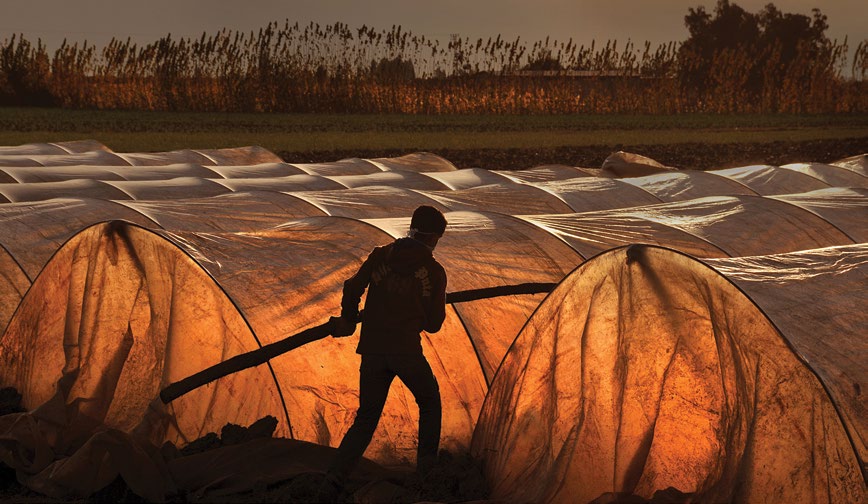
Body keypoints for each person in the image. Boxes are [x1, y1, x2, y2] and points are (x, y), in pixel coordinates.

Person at [327, 205, 448, 483]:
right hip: (406, 352)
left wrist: (348, 318)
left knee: (367, 417)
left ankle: (334, 477)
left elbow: (352, 287)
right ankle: (427, 473)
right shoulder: (433, 271)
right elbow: (434, 325)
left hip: (372, 350)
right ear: (433, 239)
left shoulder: (381, 255)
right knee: (429, 402)